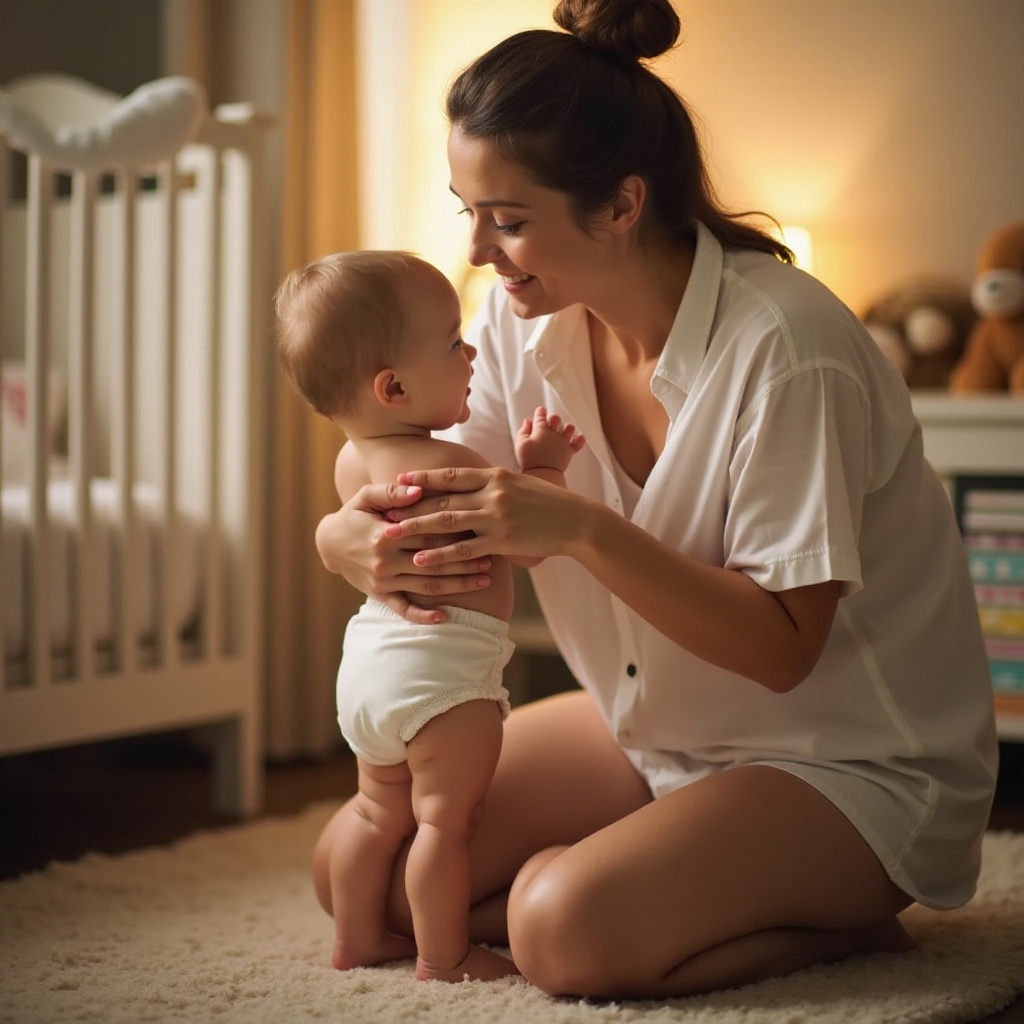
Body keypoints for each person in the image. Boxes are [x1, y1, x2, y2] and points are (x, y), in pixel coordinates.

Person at [311, 0, 999, 1000]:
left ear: (622, 204)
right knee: (354, 876)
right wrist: (345, 536)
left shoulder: (787, 351)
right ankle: (656, 878)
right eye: (467, 210)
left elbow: (781, 649)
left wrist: (583, 529)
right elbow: (429, 491)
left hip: (846, 759)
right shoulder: (514, 322)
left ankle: (841, 918)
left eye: (506, 220)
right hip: (650, 725)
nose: (476, 251)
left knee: (560, 930)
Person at [275, 250, 584, 982]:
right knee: (447, 824)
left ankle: (357, 939)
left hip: (372, 667)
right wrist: (542, 468)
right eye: (452, 342)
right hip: (443, 677)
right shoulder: (448, 467)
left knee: (377, 813)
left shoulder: (355, 462)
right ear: (395, 387)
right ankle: (443, 956)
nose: (470, 348)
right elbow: (531, 545)